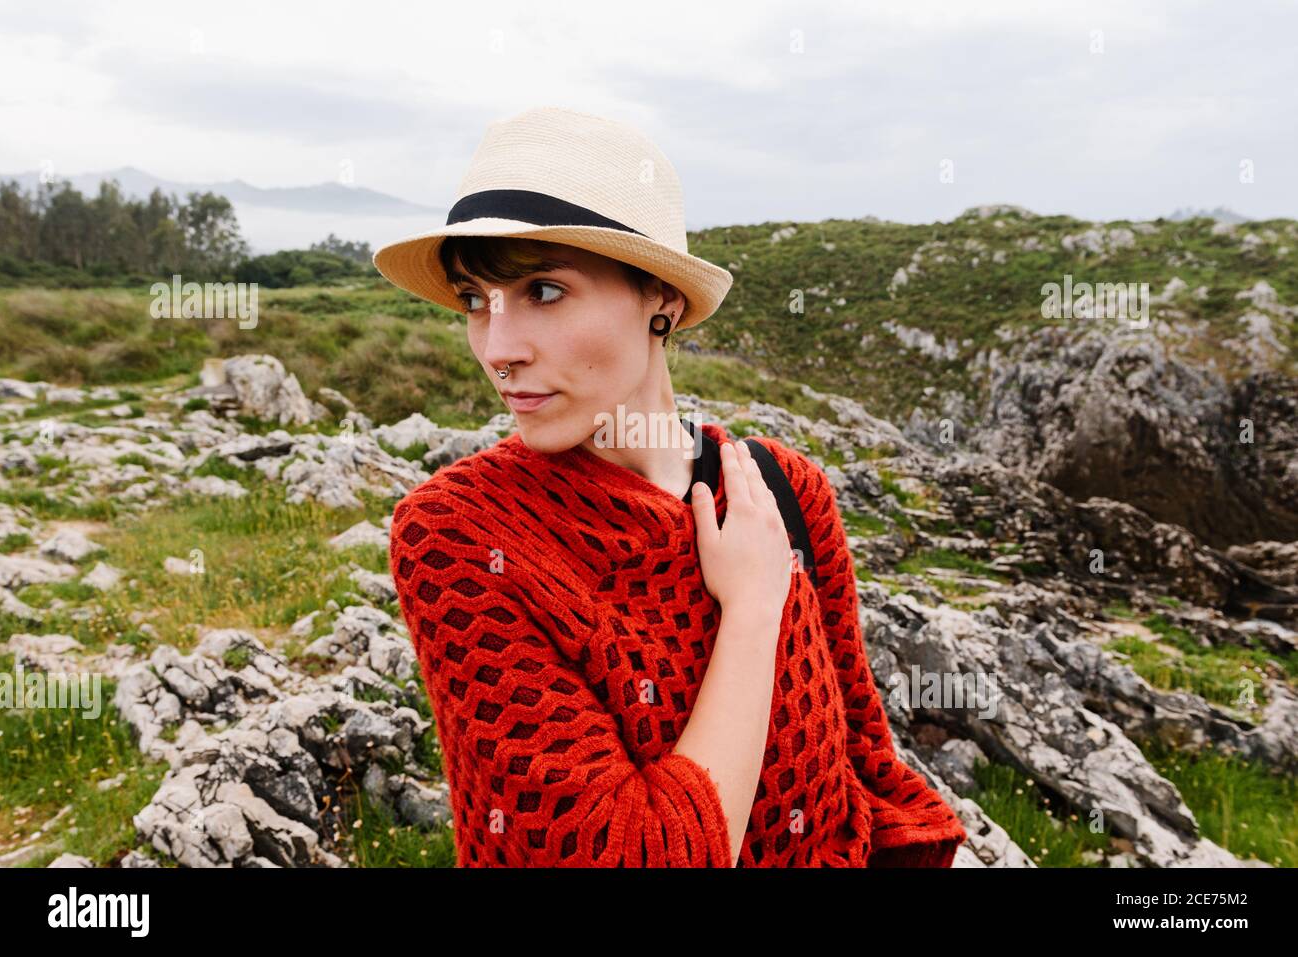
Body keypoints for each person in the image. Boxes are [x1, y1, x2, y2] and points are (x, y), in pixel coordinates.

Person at [375, 106, 967, 867]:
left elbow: (864, 770)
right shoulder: (460, 535)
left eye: (543, 292)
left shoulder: (786, 492)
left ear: (663, 299)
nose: (499, 348)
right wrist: (754, 609)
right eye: (474, 301)